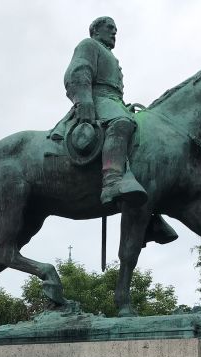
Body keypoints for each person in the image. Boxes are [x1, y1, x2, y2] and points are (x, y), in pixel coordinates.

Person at [63, 17, 178, 245]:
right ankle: (112, 181)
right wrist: (84, 100)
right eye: (110, 29)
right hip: (99, 100)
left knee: (144, 141)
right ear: (96, 30)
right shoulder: (89, 45)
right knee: (122, 123)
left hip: (114, 102)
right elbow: (78, 72)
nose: (115, 33)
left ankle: (151, 215)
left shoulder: (110, 55)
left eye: (116, 30)